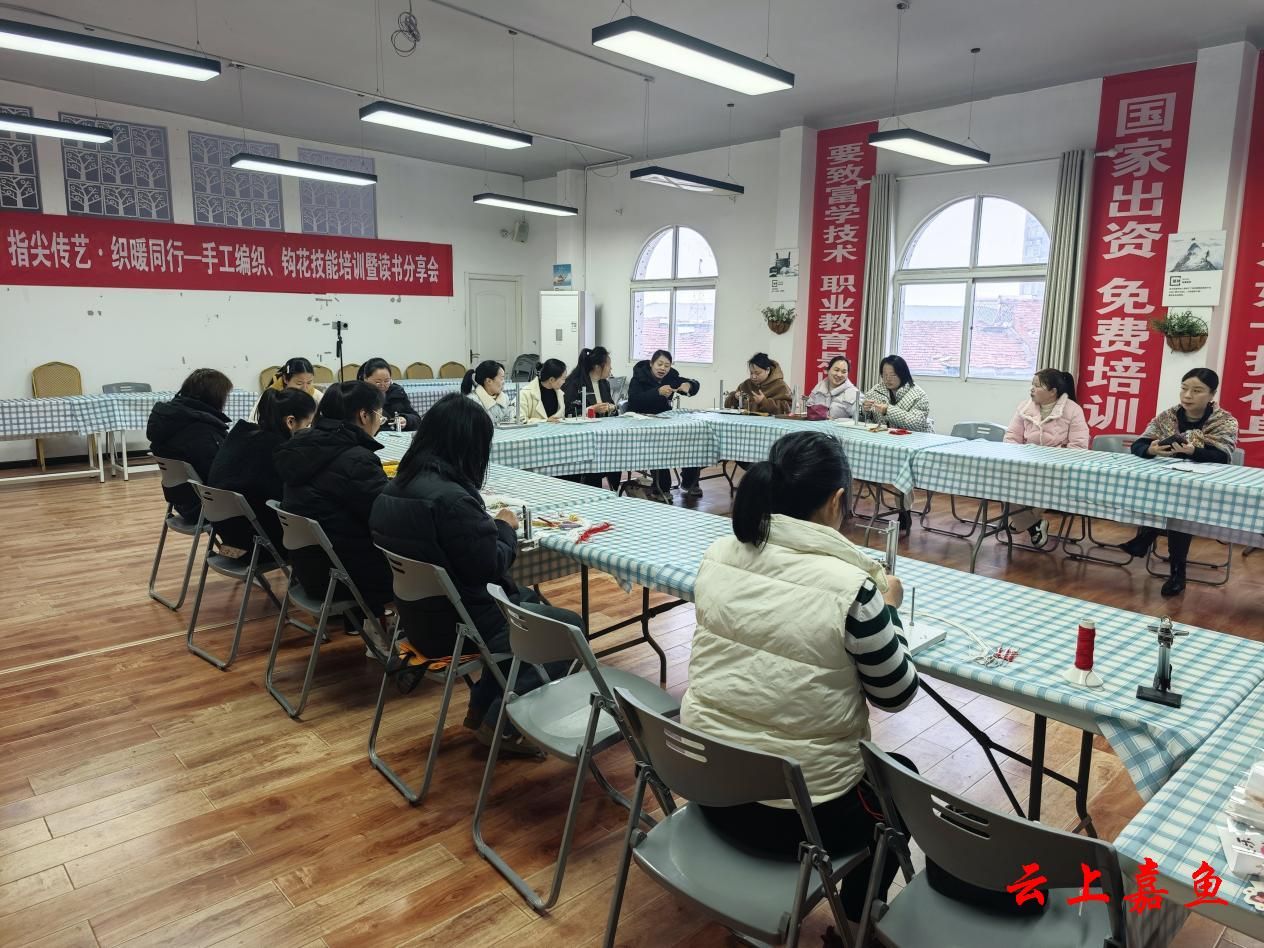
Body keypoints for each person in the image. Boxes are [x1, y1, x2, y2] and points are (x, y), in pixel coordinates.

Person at [681, 430, 919, 927]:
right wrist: (890, 610)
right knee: (902, 780)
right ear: (837, 501)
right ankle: (857, 919)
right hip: (802, 821)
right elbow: (897, 694)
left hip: (707, 790)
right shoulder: (854, 589)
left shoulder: (718, 554)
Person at [371, 394, 578, 756]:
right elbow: (490, 565)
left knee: (530, 599)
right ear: (471, 446)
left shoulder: (393, 487)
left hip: (419, 620)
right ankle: (502, 723)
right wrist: (504, 527)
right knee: (569, 628)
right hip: (463, 626)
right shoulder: (452, 499)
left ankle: (484, 706)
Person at [272, 380, 393, 648]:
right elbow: (386, 518)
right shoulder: (356, 458)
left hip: (308, 570)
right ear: (364, 415)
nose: (380, 421)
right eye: (380, 414)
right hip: (347, 576)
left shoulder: (302, 445)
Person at [1118, 368, 1240, 597]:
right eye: (1184, 389)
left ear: (1212, 394)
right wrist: (1151, 450)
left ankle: (1154, 547)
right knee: (1174, 501)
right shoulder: (1168, 416)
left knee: (1180, 506)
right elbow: (1139, 445)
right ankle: (1173, 571)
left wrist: (1193, 451)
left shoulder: (1225, 421)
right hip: (1168, 487)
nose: (1187, 395)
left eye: (1197, 391)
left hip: (1205, 490)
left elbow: (1222, 456)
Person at [208, 387, 316, 556]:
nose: (310, 430)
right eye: (308, 424)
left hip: (229, 538)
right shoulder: (277, 452)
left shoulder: (241, 435)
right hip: (257, 546)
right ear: (290, 422)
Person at [1002, 369, 1089, 547]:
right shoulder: (1024, 407)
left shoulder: (1073, 410)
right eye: (1032, 385)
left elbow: (1078, 447)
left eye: (1037, 385)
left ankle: (1023, 521)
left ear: (1053, 391)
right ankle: (1033, 524)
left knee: (1043, 485)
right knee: (1003, 482)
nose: (1032, 389)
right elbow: (1011, 437)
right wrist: (1018, 457)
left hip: (1057, 469)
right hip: (1026, 465)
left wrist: (1053, 461)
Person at [146, 368, 233, 522]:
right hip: (208, 507)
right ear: (215, 398)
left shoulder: (171, 420)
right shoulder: (202, 431)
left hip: (183, 502)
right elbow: (219, 476)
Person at [628, 349, 703, 497]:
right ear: (651, 364)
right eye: (659, 364)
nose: (663, 368)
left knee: (691, 439)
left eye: (667, 365)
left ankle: (689, 482)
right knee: (658, 445)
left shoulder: (671, 377)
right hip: (642, 423)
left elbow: (694, 383)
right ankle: (662, 488)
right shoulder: (638, 378)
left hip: (665, 421)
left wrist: (689, 385)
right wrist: (657, 392)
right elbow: (634, 401)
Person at [860, 355, 934, 432]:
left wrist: (887, 411)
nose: (888, 379)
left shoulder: (919, 395)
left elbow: (917, 423)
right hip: (885, 436)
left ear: (903, 374)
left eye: (893, 375)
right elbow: (866, 419)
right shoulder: (875, 391)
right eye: (885, 375)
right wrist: (864, 410)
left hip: (914, 437)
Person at [358, 357, 420, 431]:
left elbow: (416, 418)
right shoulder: (358, 394)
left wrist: (406, 420)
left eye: (387, 381)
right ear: (365, 378)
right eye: (378, 382)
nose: (383, 385)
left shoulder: (397, 392)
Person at [725, 352, 792, 415]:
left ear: (767, 370)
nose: (753, 377)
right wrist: (735, 397)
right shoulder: (746, 385)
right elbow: (728, 406)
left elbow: (789, 408)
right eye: (751, 373)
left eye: (757, 373)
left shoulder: (780, 386)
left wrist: (764, 402)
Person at [562, 346, 618, 417]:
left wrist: (612, 408)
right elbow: (568, 413)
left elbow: (614, 411)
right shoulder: (574, 384)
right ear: (597, 367)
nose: (611, 368)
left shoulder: (605, 384)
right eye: (608, 365)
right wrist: (592, 409)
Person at [256, 357, 322, 417]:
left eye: (309, 383)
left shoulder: (316, 396)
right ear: (285, 379)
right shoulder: (270, 397)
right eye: (299, 383)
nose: (305, 389)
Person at [806, 356, 860, 420]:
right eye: (836, 370)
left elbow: (859, 418)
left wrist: (836, 421)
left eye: (844, 372)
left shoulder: (854, 393)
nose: (839, 375)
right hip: (816, 426)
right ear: (828, 370)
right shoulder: (819, 387)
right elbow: (809, 409)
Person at [517, 358, 566, 423]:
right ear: (551, 380)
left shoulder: (559, 394)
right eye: (563, 379)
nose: (564, 382)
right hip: (534, 429)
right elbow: (519, 419)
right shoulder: (525, 393)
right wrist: (545, 421)